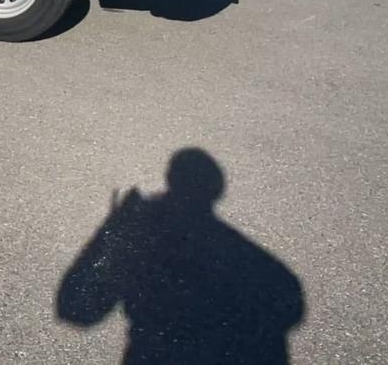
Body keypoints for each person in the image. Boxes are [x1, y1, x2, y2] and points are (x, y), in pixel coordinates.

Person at [57, 148, 305, 364]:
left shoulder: (145, 236)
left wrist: (114, 228)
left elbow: (76, 308)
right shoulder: (265, 268)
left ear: (170, 180)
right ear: (216, 191)